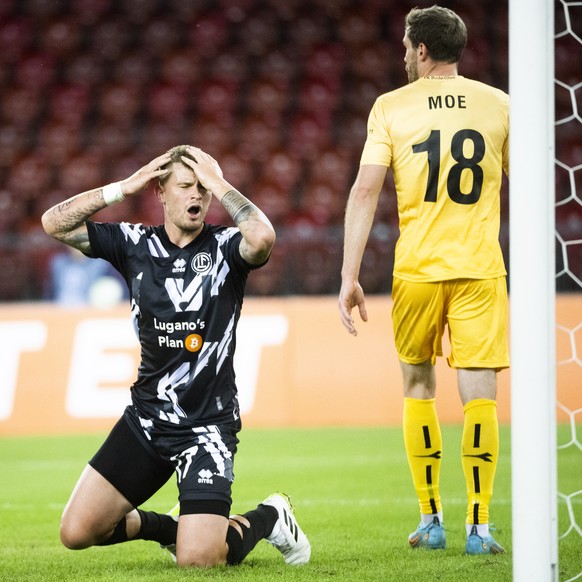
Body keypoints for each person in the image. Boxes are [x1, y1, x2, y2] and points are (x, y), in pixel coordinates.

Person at [41, 145, 310, 568]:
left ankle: (269, 515)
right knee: (76, 533)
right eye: (186, 186)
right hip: (147, 421)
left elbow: (262, 238)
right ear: (160, 193)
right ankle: (173, 530)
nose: (197, 196)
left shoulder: (225, 248)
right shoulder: (133, 244)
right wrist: (123, 188)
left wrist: (218, 181)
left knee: (199, 561)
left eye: (203, 189)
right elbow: (53, 223)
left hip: (207, 428)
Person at [338, 6, 509, 555]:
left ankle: (431, 520)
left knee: (418, 387)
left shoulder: (390, 107)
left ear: (421, 50)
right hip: (481, 267)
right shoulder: (500, 104)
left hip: (416, 269)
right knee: (480, 394)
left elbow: (365, 191)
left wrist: (349, 275)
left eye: (406, 47)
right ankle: (479, 528)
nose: (402, 56)